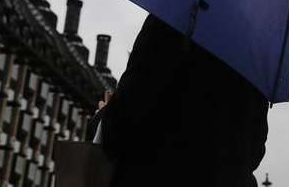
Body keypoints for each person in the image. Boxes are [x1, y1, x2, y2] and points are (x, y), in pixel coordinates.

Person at [97, 13, 269, 186]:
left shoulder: (172, 18)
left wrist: (103, 114)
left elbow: (123, 125)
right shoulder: (257, 51)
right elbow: (254, 153)